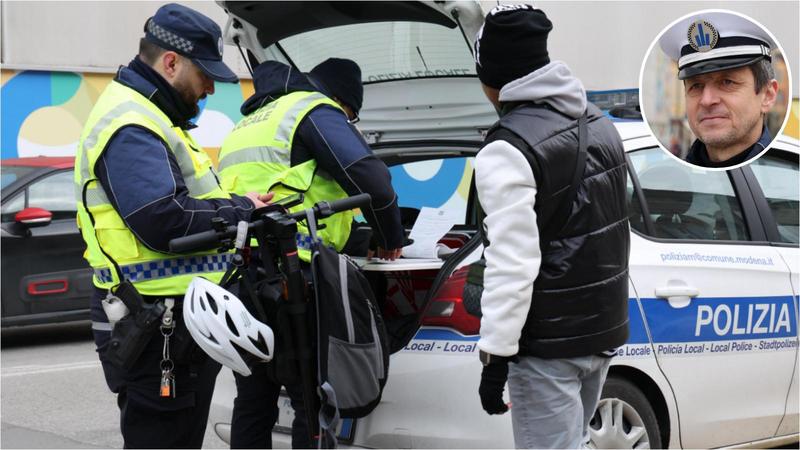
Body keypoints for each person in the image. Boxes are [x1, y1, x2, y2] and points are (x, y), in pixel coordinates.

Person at [74, 4, 271, 448]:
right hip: (152, 324)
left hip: (166, 322)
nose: (208, 89)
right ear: (171, 62)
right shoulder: (131, 122)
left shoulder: (155, 118)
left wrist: (238, 206)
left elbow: (189, 203)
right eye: (205, 76)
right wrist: (240, 209)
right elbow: (162, 217)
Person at [216, 58, 404, 448]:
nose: (345, 123)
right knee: (311, 399)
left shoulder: (248, 123)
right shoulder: (314, 109)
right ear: (338, 99)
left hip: (241, 280)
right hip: (293, 282)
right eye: (349, 116)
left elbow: (295, 200)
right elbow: (374, 183)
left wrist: (362, 238)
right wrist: (391, 237)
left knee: (254, 398)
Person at [471, 5, 630, 449]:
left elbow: (512, 262)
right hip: (600, 334)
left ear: (493, 77)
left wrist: (496, 355)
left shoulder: (507, 148)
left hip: (548, 346)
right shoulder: (600, 125)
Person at [659, 11, 779, 168]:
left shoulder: (787, 174)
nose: (707, 100)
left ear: (767, 96)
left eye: (727, 82)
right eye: (696, 86)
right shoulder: (673, 181)